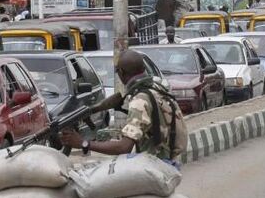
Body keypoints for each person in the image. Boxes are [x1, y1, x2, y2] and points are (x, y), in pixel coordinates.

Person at [59, 50, 187, 164]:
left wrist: (83, 143)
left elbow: (123, 147)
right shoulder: (155, 86)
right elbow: (119, 100)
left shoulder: (140, 100)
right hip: (168, 159)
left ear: (121, 72)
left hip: (156, 164)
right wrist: (94, 110)